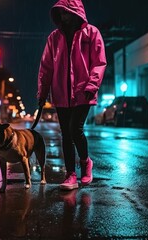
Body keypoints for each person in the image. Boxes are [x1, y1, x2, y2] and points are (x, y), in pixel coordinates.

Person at [37, 0, 107, 190]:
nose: (63, 17)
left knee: (75, 129)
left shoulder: (91, 33)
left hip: (83, 91)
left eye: (66, 12)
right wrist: (42, 93)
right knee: (66, 134)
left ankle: (85, 162)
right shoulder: (54, 38)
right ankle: (70, 175)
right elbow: (46, 68)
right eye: (60, 13)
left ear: (76, 12)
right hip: (60, 93)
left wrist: (91, 86)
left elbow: (99, 63)